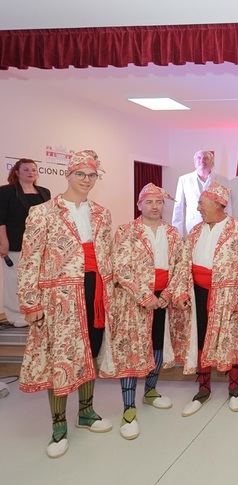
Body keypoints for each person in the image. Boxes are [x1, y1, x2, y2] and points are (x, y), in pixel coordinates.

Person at [17, 150, 113, 458]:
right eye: (80, 174)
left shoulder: (102, 213)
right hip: (58, 296)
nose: (86, 180)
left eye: (92, 175)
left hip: (94, 291)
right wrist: (31, 302)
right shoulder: (43, 212)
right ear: (67, 175)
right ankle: (58, 425)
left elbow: (106, 254)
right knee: (58, 357)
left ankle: (86, 412)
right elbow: (29, 260)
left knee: (90, 351)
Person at [99, 183, 185, 440]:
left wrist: (167, 294)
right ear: (139, 205)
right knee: (132, 350)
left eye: (159, 202)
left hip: (162, 299)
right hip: (134, 301)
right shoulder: (126, 231)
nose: (155, 206)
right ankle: (128, 408)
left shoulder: (171, 233)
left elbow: (180, 264)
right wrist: (144, 295)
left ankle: (150, 391)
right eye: (149, 202)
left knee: (157, 346)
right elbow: (121, 267)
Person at [175, 182, 238, 418]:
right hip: (198, 294)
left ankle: (234, 388)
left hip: (229, 296)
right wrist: (181, 291)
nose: (198, 207)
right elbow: (183, 264)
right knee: (201, 339)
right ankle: (203, 389)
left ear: (218, 204)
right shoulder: (195, 231)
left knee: (230, 338)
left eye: (202, 202)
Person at [0, 159, 51, 327]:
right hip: (14, 243)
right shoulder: (6, 191)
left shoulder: (44, 192)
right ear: (17, 172)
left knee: (37, 280)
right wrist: (3, 242)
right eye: (26, 169)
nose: (31, 172)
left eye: (34, 169)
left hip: (40, 244)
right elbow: (1, 219)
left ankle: (35, 313)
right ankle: (15, 315)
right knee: (14, 279)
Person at [172, 150, 229, 238]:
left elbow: (228, 207)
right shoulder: (184, 180)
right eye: (199, 158)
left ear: (212, 163)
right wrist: (178, 235)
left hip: (217, 227)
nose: (202, 160)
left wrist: (227, 229)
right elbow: (178, 209)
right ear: (194, 163)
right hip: (192, 228)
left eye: (206, 158)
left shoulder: (223, 180)